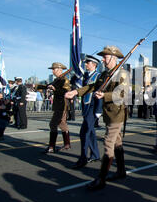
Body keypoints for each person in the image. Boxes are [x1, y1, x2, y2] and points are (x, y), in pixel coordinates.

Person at [66, 45, 128, 191]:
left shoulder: (122, 73)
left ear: (113, 57)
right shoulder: (104, 74)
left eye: (105, 57)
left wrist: (104, 95)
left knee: (108, 143)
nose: (103, 59)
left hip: (117, 114)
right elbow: (93, 86)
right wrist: (75, 92)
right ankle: (121, 171)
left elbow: (123, 94)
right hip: (108, 113)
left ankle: (101, 179)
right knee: (117, 142)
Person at [72, 55, 103, 169]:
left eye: (88, 63)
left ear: (94, 65)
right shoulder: (84, 76)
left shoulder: (98, 76)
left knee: (84, 133)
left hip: (93, 108)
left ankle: (83, 158)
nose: (86, 64)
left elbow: (100, 93)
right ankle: (95, 154)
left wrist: (98, 110)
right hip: (86, 107)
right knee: (90, 132)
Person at [39, 63, 72, 154]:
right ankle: (67, 144)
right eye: (53, 69)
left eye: (54, 69)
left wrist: (55, 89)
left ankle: (51, 146)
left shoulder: (64, 80)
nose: (53, 71)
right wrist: (38, 86)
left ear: (60, 70)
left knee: (53, 124)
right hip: (58, 105)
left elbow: (66, 92)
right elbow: (48, 86)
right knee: (62, 124)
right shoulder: (57, 80)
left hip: (62, 105)